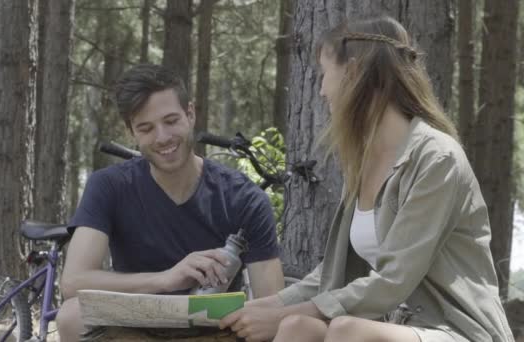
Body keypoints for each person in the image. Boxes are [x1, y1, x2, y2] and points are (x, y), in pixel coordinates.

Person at [219, 16, 514, 342]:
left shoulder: (437, 159)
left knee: (347, 331)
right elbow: (332, 276)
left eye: (324, 74)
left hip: (458, 331)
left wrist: (284, 313)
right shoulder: (363, 163)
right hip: (397, 327)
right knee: (296, 328)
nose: (319, 90)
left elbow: (392, 280)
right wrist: (270, 307)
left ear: (354, 72)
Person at [56, 64, 285, 341]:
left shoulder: (244, 198)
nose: (162, 137)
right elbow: (73, 282)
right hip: (134, 329)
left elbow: (271, 304)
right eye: (146, 128)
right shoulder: (109, 185)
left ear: (190, 114)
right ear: (131, 132)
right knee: (71, 316)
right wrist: (166, 278)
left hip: (215, 332)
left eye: (171, 121)